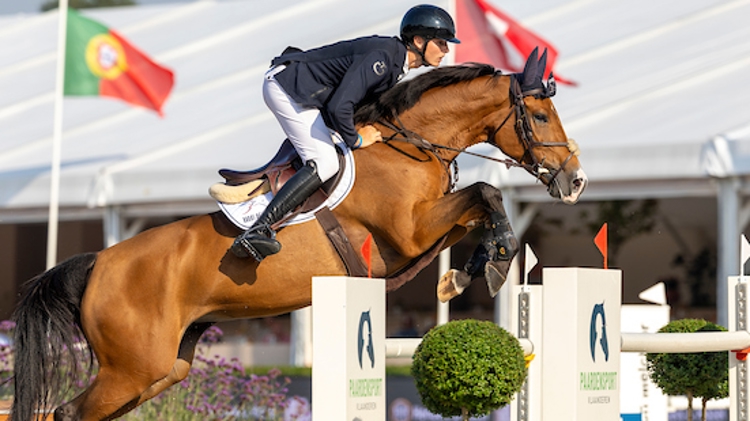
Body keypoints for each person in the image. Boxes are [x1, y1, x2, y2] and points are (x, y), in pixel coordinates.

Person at [230, 4, 461, 261]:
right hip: (287, 88)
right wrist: (357, 139)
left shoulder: (395, 63)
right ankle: (258, 230)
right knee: (325, 162)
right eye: (441, 43)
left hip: (306, 93)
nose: (446, 50)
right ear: (419, 41)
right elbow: (340, 106)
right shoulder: (384, 59)